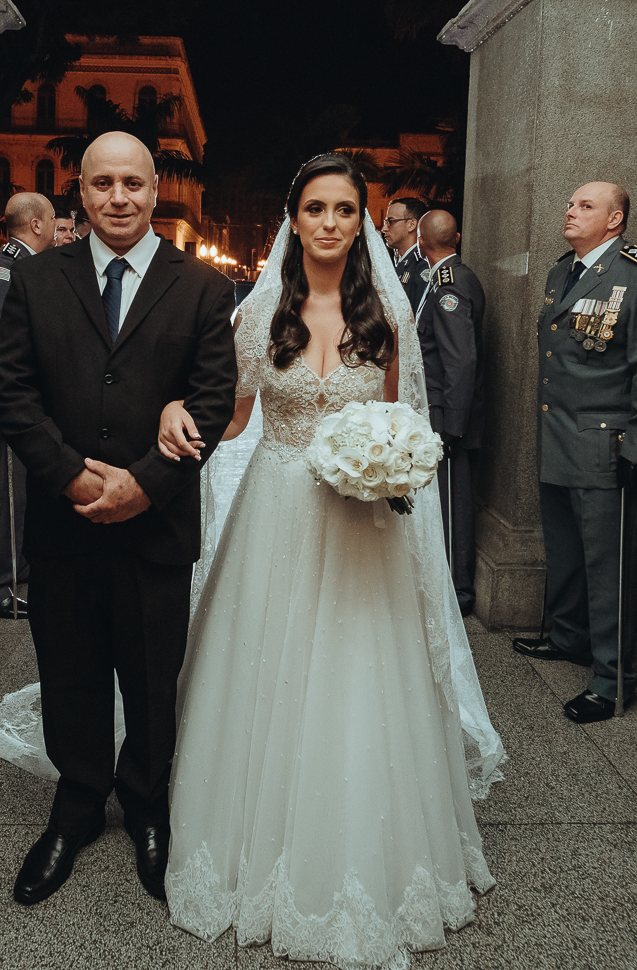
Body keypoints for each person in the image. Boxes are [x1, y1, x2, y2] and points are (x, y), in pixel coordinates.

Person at [160, 154, 501, 968]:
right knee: (262, 673)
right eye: (315, 208)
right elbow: (233, 418)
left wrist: (391, 468)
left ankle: (360, 847)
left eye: (345, 211)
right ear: (293, 216)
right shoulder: (258, 316)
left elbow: (401, 424)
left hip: (360, 526)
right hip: (275, 511)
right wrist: (173, 409)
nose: (330, 224)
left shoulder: (386, 315)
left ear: (362, 222)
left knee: (359, 679)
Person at [0, 131, 237, 906]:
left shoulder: (199, 286)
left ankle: (147, 803)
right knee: (69, 670)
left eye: (132, 182)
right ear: (81, 192)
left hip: (154, 527)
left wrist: (145, 484)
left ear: (155, 187)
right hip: (65, 526)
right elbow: (10, 390)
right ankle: (77, 803)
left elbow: (213, 398)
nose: (118, 197)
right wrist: (69, 479)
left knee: (152, 677)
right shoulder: (37, 280)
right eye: (103, 184)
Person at [514, 181, 637, 723]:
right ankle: (569, 638)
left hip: (605, 446)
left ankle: (613, 680)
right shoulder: (561, 271)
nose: (570, 210)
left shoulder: (631, 277)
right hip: (557, 435)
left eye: (585, 205)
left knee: (608, 569)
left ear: (614, 221)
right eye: (569, 202)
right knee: (566, 552)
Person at [0, 193, 55, 618]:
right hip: (9, 408)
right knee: (5, 495)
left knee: (19, 494)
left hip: (28, 405)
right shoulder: (5, 265)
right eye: (54, 221)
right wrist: (6, 400)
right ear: (36, 225)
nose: (57, 230)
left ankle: (15, 569)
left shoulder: (26, 265)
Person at [415, 210, 485, 616]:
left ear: (422, 241)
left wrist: (454, 428)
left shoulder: (449, 284)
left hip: (447, 413)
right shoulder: (453, 275)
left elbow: (460, 360)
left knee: (452, 502)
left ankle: (459, 592)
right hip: (441, 407)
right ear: (455, 237)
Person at [382, 195, 429, 312]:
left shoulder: (422, 265)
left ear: (412, 225)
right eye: (385, 222)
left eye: (391, 222)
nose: (384, 228)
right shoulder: (398, 260)